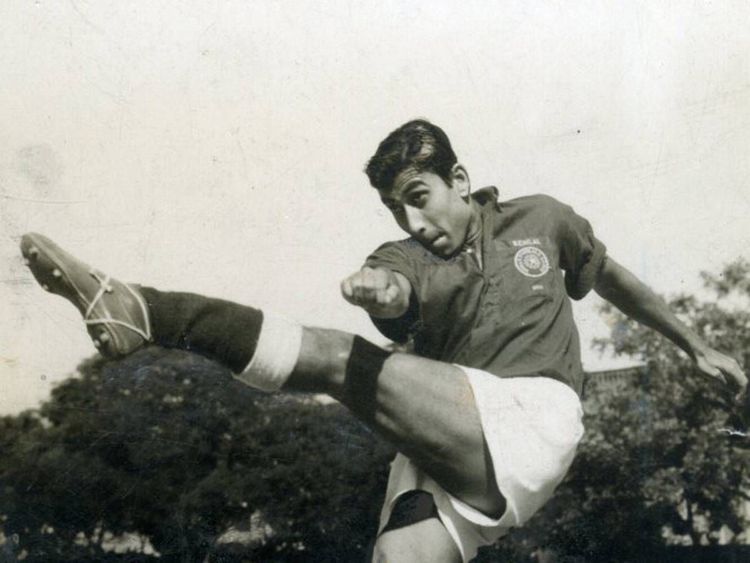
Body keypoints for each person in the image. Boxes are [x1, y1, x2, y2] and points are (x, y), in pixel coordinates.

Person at [20, 119, 746, 562]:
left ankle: (147, 311)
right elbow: (394, 287)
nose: (413, 222)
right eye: (397, 209)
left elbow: (611, 277)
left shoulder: (543, 219)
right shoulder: (404, 256)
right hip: (445, 442)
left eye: (420, 198)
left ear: (458, 178)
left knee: (340, 361)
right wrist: (382, 290)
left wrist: (693, 344)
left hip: (532, 418)